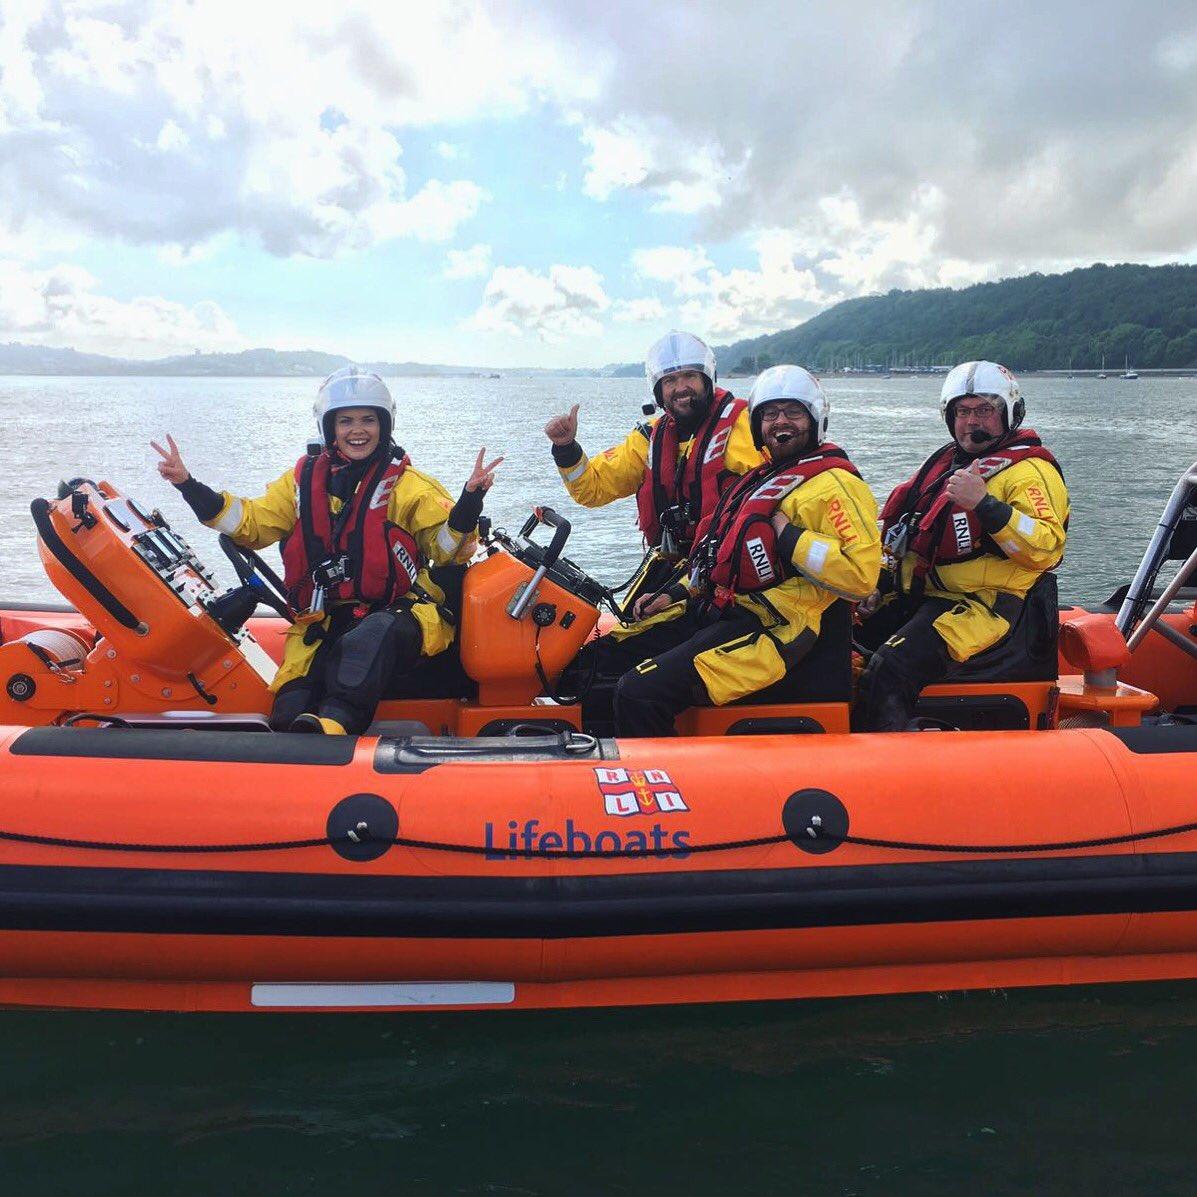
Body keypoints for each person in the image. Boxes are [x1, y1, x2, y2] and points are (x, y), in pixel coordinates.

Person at [152, 366, 501, 734]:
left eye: (368, 419)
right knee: (292, 700)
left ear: (384, 425)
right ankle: (296, 739)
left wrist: (469, 503)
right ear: (329, 427)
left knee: (372, 635)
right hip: (324, 616)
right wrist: (188, 485)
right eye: (346, 421)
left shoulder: (410, 487)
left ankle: (335, 728)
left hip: (403, 612)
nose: (357, 430)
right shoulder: (301, 483)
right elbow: (250, 524)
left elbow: (447, 549)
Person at [605, 365, 880, 737]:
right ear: (757, 425)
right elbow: (718, 554)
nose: (781, 422)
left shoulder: (835, 486)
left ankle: (656, 788)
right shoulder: (760, 478)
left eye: (793, 412)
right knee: (605, 659)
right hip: (728, 610)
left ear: (815, 418)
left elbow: (861, 577)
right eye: (770, 414)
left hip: (780, 630)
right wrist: (673, 592)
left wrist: (789, 536)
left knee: (639, 692)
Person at [854, 360, 1068, 732]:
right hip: (929, 596)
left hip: (983, 606)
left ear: (1009, 413)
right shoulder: (944, 464)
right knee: (844, 644)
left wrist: (985, 505)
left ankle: (887, 771)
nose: (973, 421)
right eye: (964, 411)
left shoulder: (1029, 472)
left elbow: (1047, 548)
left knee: (891, 667)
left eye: (985, 410)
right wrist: (879, 585)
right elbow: (911, 538)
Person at [544, 331, 762, 604]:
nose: (680, 387)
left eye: (690, 376)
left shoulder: (748, 427)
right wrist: (566, 448)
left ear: (707, 380)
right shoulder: (648, 440)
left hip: (729, 568)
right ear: (658, 390)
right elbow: (592, 489)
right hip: (674, 564)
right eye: (670, 380)